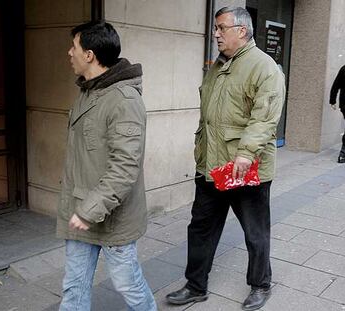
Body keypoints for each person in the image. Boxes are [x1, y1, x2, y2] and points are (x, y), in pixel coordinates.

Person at [166, 7, 285, 311]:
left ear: (242, 31)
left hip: (243, 167)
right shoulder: (218, 67)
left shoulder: (264, 68)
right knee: (201, 228)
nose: (216, 33)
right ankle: (195, 286)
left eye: (221, 28)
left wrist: (245, 154)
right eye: (216, 28)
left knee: (255, 232)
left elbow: (264, 119)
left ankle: (260, 285)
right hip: (211, 166)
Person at [57, 21, 157, 311]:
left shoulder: (123, 100)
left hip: (111, 216)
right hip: (81, 208)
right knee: (74, 287)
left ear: (89, 54)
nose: (69, 53)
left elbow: (125, 168)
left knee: (127, 283)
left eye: (73, 47)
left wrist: (89, 211)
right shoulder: (88, 92)